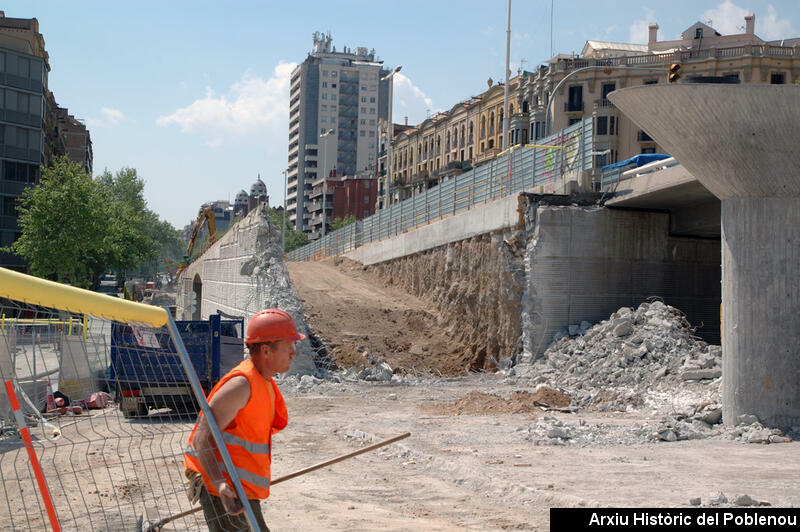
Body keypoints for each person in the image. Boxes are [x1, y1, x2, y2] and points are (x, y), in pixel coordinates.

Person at [184, 309, 305, 531]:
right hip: (222, 487)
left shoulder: (264, 382)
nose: (293, 353)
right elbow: (202, 438)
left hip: (239, 488)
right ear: (266, 350)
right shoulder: (241, 385)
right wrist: (220, 484)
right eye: (289, 346)